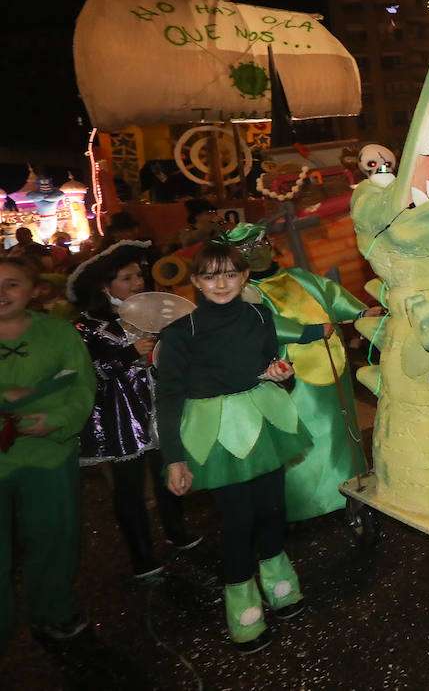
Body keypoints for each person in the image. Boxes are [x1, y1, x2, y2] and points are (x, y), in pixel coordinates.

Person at [156, 242, 310, 653]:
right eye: (210, 275)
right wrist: (174, 458)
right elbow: (168, 396)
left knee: (274, 510)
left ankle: (279, 583)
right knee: (238, 522)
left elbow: (272, 364)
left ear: (244, 277)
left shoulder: (260, 314)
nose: (220, 283)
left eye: (229, 274)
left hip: (264, 421)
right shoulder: (180, 333)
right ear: (195, 282)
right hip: (218, 433)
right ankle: (243, 605)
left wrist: (281, 374)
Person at [218, 223, 384, 522]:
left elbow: (331, 296)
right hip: (290, 373)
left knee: (340, 426)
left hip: (332, 364)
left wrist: (360, 312)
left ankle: (351, 484)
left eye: (261, 242)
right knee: (304, 431)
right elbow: (261, 326)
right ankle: (308, 501)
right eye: (245, 248)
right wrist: (306, 331)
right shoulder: (243, 293)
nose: (257, 251)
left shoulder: (297, 277)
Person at [69, 241, 197, 579]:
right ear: (104, 286)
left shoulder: (152, 314)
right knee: (128, 489)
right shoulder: (85, 328)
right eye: (126, 278)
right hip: (120, 419)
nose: (137, 283)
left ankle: (177, 530)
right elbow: (83, 373)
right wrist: (128, 355)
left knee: (169, 470)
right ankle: (141, 555)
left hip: (158, 410)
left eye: (138, 275)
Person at [0, 254, 98, 647]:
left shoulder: (58, 333)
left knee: (54, 537)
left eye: (11, 283)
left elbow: (82, 384)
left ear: (32, 289)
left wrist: (56, 421)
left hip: (49, 453)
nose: (2, 293)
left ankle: (53, 611)